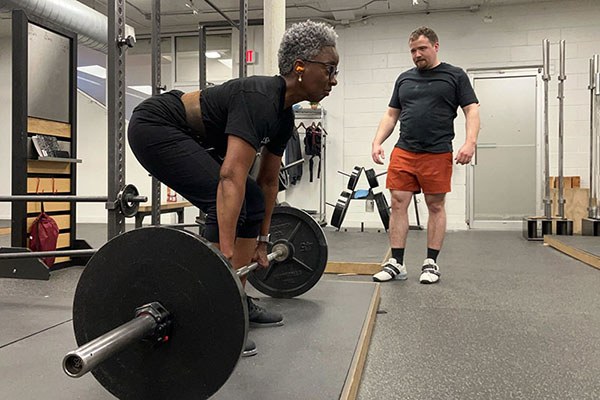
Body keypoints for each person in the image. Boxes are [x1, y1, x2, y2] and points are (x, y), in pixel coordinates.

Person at [128, 20, 339, 356]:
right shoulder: (258, 96)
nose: (334, 79)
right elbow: (230, 176)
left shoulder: (284, 116)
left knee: (251, 199)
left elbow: (268, 181)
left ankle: (236, 302)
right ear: (300, 68)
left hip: (190, 135)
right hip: (156, 125)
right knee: (227, 197)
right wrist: (225, 255)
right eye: (329, 69)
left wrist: (263, 241)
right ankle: (215, 313)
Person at [371, 26, 480, 284]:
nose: (417, 54)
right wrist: (377, 142)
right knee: (398, 203)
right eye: (412, 51)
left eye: (422, 49)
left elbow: (471, 110)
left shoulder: (455, 76)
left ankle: (431, 262)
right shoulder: (404, 79)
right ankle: (397, 262)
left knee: (435, 205)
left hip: (437, 151)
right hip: (404, 149)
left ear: (435, 46)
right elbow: (391, 114)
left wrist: (470, 143)